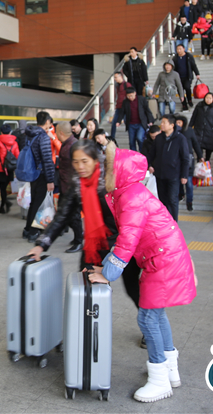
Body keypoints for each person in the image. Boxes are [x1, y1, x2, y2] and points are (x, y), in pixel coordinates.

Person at [90, 147, 196, 403]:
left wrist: (109, 274)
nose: (105, 173)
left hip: (163, 260)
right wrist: (105, 267)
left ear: (121, 171)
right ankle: (170, 370)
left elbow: (127, 241)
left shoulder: (131, 197)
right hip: (163, 257)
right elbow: (125, 241)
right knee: (156, 314)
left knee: (148, 317)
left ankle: (159, 380)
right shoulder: (129, 193)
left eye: (109, 168)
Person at [26, 141, 141, 344]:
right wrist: (41, 244)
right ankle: (82, 333)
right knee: (84, 289)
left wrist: (117, 256)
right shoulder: (76, 184)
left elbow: (129, 218)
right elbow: (61, 217)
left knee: (134, 289)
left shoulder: (110, 182)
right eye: (76, 162)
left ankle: (150, 328)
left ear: (96, 161)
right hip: (94, 247)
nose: (80, 166)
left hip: (121, 246)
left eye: (85, 161)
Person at [22, 112, 57, 242]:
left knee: (34, 201)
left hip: (32, 173)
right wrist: (50, 179)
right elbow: (47, 159)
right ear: (47, 121)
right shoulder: (43, 137)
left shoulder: (29, 135)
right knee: (40, 203)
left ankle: (27, 229)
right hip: (41, 174)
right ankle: (33, 231)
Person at [149, 115, 189, 221]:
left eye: (164, 123)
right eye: (161, 122)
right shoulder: (158, 138)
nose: (161, 125)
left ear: (172, 125)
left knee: (172, 199)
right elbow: (151, 154)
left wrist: (184, 175)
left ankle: (173, 222)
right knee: (163, 200)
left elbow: (185, 158)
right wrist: (150, 165)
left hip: (174, 175)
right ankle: (164, 222)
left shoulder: (180, 139)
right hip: (160, 174)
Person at [54, 121, 83, 252]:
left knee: (73, 215)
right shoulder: (70, 144)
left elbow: (78, 168)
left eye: (55, 132)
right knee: (65, 213)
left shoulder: (72, 146)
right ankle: (78, 237)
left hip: (72, 187)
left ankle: (79, 241)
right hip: (66, 186)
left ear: (60, 132)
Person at [114, 86, 156, 152]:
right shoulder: (125, 102)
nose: (130, 98)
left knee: (140, 138)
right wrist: (118, 121)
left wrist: (150, 120)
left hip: (141, 123)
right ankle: (134, 155)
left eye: (131, 96)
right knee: (131, 141)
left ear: (135, 93)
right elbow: (122, 112)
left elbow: (147, 110)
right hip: (131, 124)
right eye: (128, 96)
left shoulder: (141, 99)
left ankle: (142, 153)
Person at [175, 116, 202, 212]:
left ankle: (189, 202)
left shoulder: (189, 131)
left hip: (188, 161)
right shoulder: (173, 133)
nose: (178, 124)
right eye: (176, 122)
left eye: (179, 122)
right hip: (177, 161)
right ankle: (180, 194)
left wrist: (200, 155)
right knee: (178, 181)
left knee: (189, 183)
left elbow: (195, 143)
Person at [0, 125, 19, 213]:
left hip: (1, 169)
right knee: (5, 187)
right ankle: (4, 204)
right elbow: (17, 156)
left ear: (1, 132)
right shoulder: (14, 143)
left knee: (2, 188)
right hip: (10, 168)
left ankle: (4, 205)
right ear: (10, 132)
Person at [171, 44, 200, 110]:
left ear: (184, 49)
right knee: (180, 90)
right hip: (178, 78)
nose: (179, 50)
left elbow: (193, 66)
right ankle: (184, 104)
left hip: (187, 77)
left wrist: (197, 74)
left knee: (187, 87)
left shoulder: (189, 56)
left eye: (180, 49)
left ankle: (189, 100)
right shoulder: (175, 58)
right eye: (177, 49)